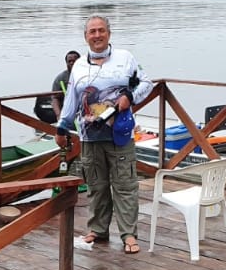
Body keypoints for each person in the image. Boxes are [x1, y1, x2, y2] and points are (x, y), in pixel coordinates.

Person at [55, 15, 153, 255]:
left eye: (101, 31)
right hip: (89, 136)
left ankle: (128, 233)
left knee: (125, 185)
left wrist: (129, 97)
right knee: (96, 186)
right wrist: (62, 126)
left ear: (109, 33)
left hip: (120, 134)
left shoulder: (125, 58)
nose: (96, 35)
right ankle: (97, 229)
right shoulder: (78, 66)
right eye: (92, 32)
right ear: (85, 36)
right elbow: (71, 99)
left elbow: (147, 83)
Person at [50, 50, 81, 120]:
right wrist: (58, 115)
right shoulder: (60, 78)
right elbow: (55, 98)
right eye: (69, 61)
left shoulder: (87, 75)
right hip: (68, 111)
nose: (72, 63)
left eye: (74, 61)